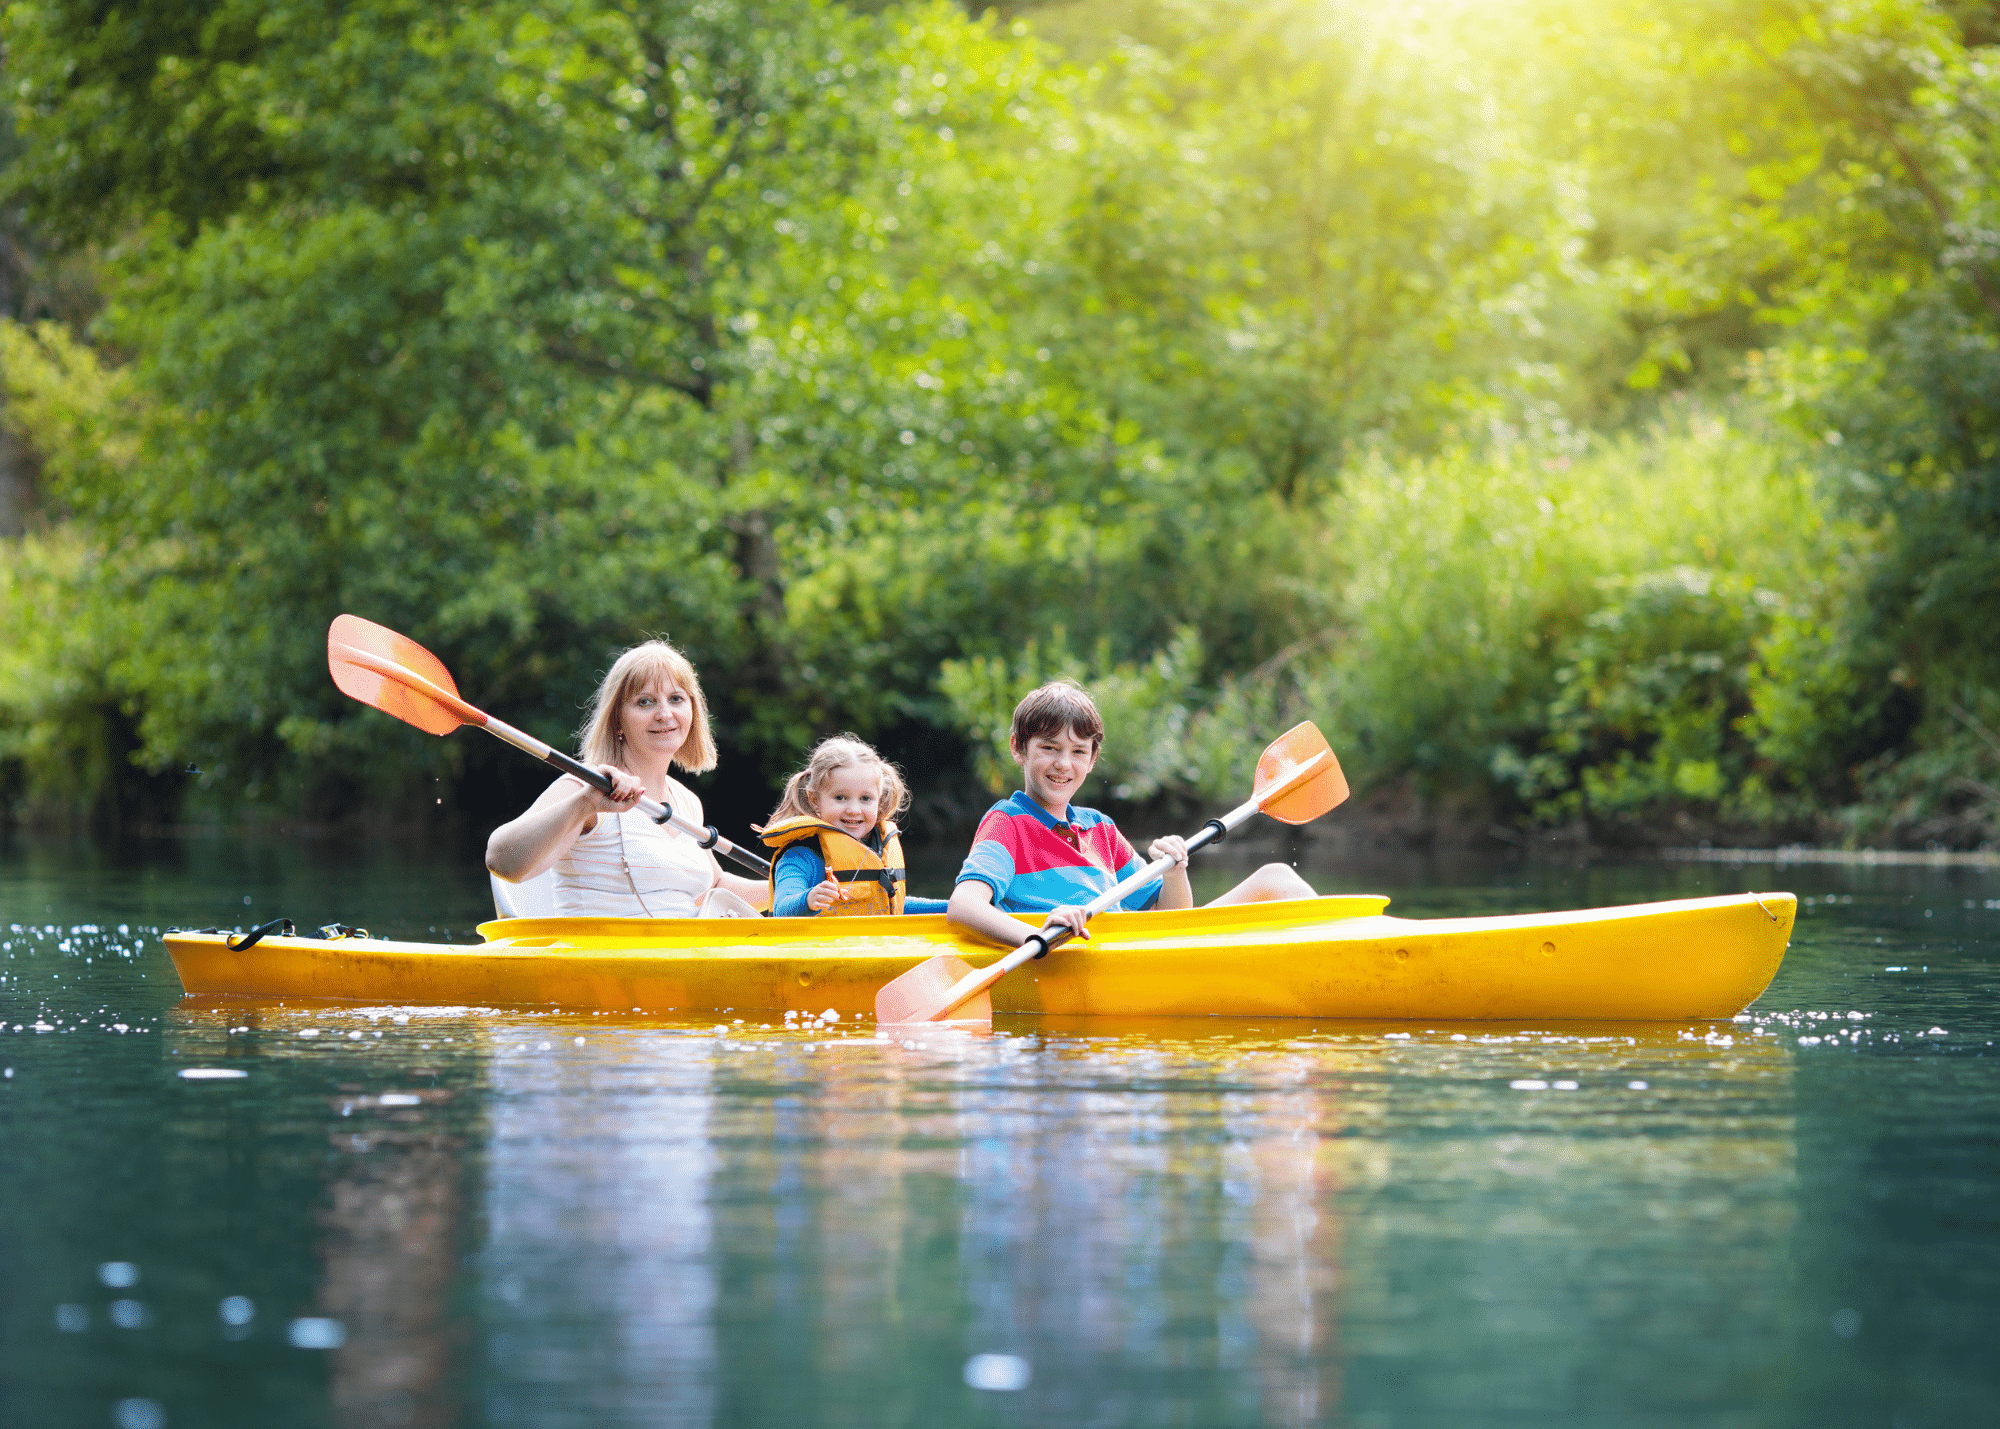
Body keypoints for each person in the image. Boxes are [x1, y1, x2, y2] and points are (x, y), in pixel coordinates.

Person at [947, 680, 1315, 950]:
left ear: (1092, 759)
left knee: (1277, 877)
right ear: (1018, 748)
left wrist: (1175, 872)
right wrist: (1035, 935)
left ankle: (1357, 947)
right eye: (1049, 748)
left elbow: (1168, 916)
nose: (1063, 764)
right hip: (1087, 953)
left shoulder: (1101, 828)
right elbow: (964, 906)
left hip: (1139, 947)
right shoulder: (1007, 823)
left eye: (1077, 751)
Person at [485, 639, 769, 918]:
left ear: (692, 711)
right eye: (644, 702)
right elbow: (501, 861)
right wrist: (584, 804)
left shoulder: (686, 802)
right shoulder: (587, 787)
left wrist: (789, 888)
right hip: (600, 958)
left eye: (676, 699)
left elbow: (715, 887)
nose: (665, 714)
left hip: (677, 958)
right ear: (617, 718)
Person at [759, 735, 949, 917]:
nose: (854, 810)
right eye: (840, 797)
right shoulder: (801, 855)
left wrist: (950, 907)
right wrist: (808, 900)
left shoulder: (877, 848)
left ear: (879, 800)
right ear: (815, 800)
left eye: (865, 799)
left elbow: (890, 905)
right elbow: (782, 907)